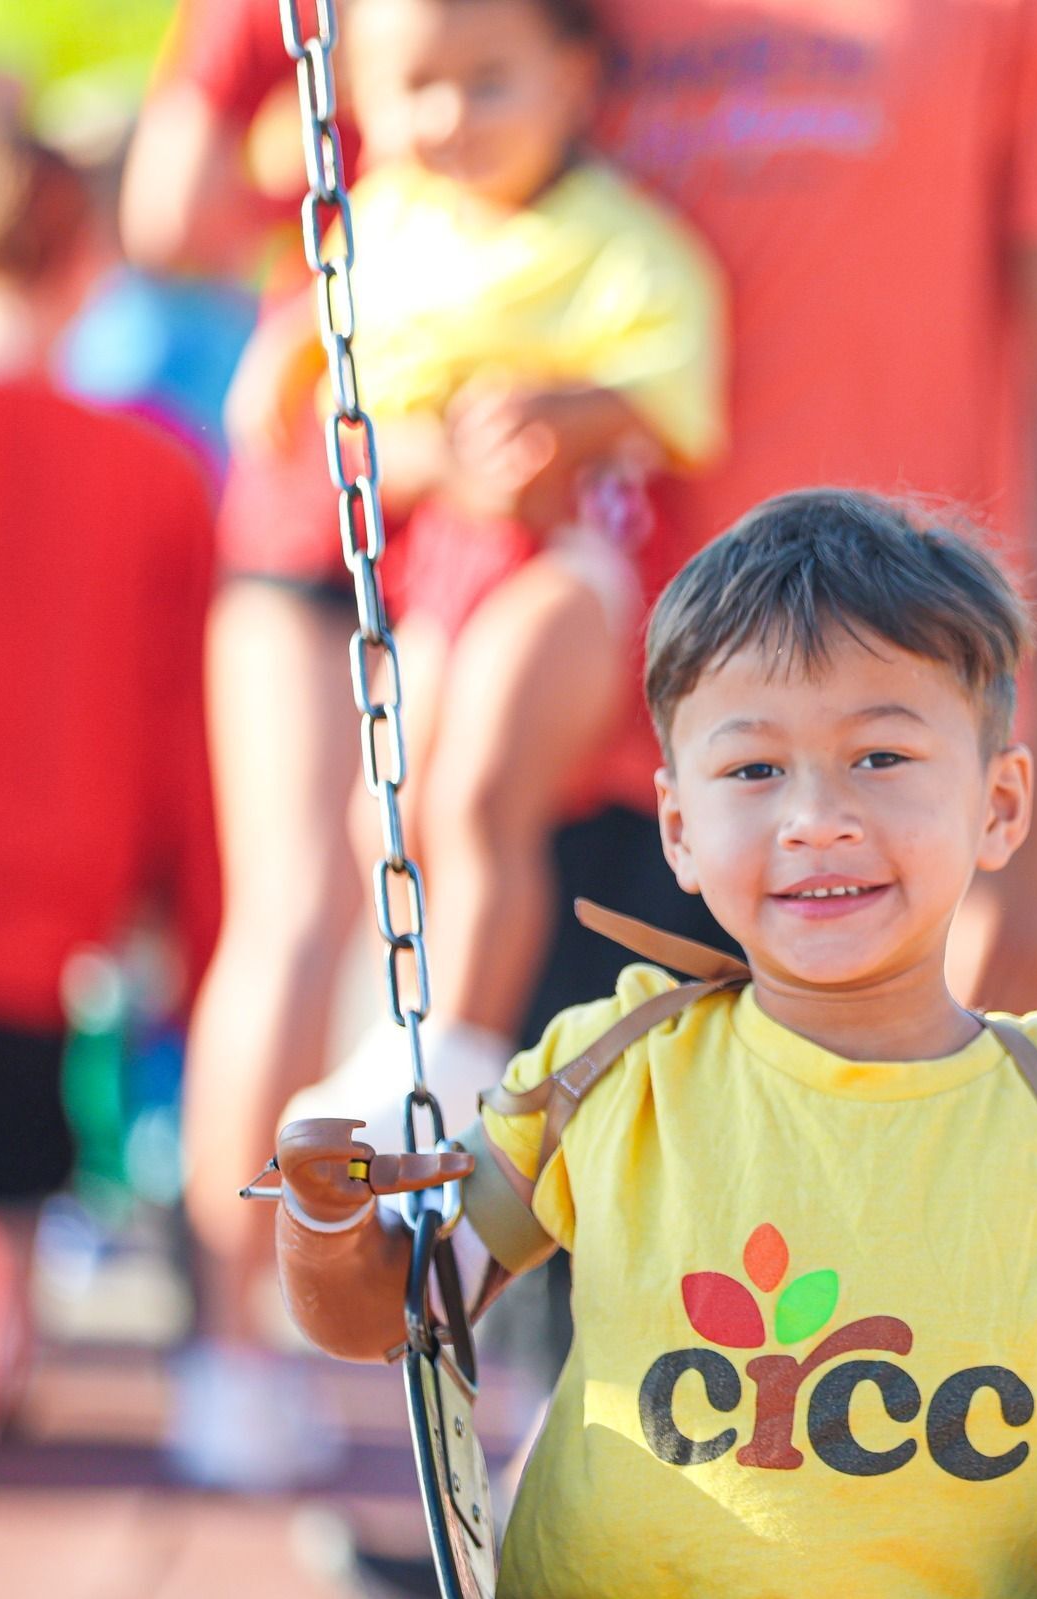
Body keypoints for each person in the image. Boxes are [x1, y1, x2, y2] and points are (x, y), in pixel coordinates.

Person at [270, 488, 1037, 1599]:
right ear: (679, 827)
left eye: (880, 757)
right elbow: (391, 1314)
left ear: (998, 803)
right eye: (753, 770)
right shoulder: (608, 1069)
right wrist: (325, 1222)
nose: (814, 817)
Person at [168, 0, 725, 1488]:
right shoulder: (390, 226)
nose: (449, 120)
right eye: (414, 91)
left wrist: (562, 415)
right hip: (442, 562)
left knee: (478, 797)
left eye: (488, 84)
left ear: (577, 81)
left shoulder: (612, 231)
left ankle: (451, 1054)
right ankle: (409, 1073)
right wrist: (420, 443)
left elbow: (675, 392)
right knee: (388, 821)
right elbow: (311, 398)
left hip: (566, 557)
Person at [0, 126, 218, 1500]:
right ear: (86, 262)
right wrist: (186, 915)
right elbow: (178, 727)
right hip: (19, 906)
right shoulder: (151, 473)